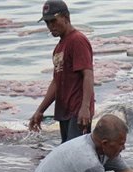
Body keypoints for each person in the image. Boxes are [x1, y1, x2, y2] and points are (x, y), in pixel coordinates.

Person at [29, 1, 94, 142]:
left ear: (66, 17)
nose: (50, 26)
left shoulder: (77, 41)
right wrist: (40, 110)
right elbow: (56, 82)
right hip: (64, 112)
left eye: (53, 21)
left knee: (75, 156)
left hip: (78, 112)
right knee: (66, 153)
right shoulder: (59, 48)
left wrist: (85, 108)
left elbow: (87, 75)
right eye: (47, 22)